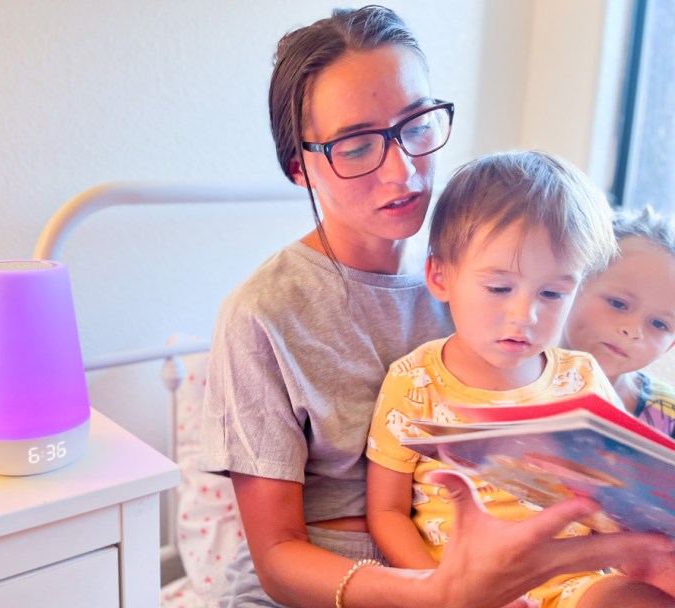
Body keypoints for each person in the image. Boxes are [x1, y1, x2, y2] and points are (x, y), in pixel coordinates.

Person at [199, 5, 674, 608]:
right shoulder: (263, 316)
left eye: (416, 125)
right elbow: (277, 560)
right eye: (355, 144)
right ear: (301, 166)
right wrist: (443, 593)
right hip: (336, 587)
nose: (402, 171)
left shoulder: (495, 273)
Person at [365, 150, 675, 607]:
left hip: (575, 583)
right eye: (499, 288)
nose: (524, 315)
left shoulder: (581, 377)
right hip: (462, 584)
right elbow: (387, 512)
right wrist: (441, 588)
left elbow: (618, 491)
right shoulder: (414, 381)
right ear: (440, 275)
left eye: (552, 293)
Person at [562, 205, 675, 438]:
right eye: (618, 303)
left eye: (659, 324)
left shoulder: (669, 416)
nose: (632, 331)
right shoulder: (507, 372)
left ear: (671, 344)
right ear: (573, 284)